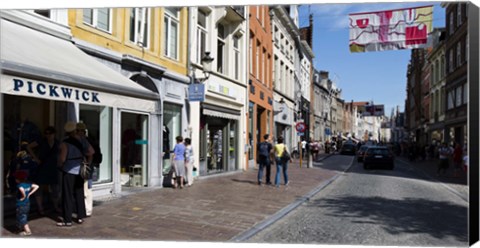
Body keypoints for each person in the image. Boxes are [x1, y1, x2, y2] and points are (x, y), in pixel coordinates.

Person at [57, 121, 94, 227]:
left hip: (69, 170)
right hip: (80, 169)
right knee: (79, 193)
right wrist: (87, 163)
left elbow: (63, 158)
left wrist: (60, 165)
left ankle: (67, 219)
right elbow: (91, 152)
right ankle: (80, 217)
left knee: (67, 195)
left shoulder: (65, 142)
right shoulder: (82, 140)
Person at [26, 126, 61, 215]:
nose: (48, 135)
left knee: (55, 188)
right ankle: (40, 208)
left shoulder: (57, 143)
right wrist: (36, 158)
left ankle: (56, 206)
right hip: (42, 166)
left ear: (54, 134)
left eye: (50, 133)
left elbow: (60, 153)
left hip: (53, 167)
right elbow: (28, 147)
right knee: (39, 187)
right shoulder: (41, 141)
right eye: (46, 134)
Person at [76, 122, 100, 217]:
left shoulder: (84, 141)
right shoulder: (89, 140)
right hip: (88, 167)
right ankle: (87, 209)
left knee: (86, 189)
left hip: (85, 168)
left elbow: (91, 153)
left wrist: (87, 164)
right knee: (88, 188)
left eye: (78, 130)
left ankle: (86, 209)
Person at [15, 170, 39, 236]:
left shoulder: (19, 185)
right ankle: (21, 228)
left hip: (21, 204)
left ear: (18, 179)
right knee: (24, 215)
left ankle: (27, 231)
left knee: (22, 217)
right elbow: (37, 186)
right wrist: (30, 193)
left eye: (16, 178)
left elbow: (21, 189)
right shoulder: (28, 184)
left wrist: (23, 196)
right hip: (27, 203)